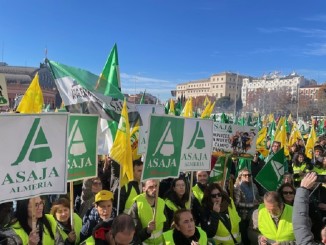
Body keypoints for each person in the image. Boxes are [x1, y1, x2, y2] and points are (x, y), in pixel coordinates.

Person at [129, 179, 167, 244]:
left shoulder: (162, 202)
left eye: (156, 186)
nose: (154, 189)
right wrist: (147, 230)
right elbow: (134, 235)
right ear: (144, 188)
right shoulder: (137, 205)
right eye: (151, 187)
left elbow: (166, 226)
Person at [293, 171, 326, 245]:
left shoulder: (323, 190)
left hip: (322, 221)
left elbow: (300, 226)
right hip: (309, 222)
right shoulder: (300, 192)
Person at [234, 168, 261, 245]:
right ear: (241, 176)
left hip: (255, 213)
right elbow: (237, 203)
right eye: (245, 175)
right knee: (245, 236)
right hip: (243, 215)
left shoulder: (254, 186)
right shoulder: (238, 187)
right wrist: (251, 205)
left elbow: (258, 197)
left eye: (249, 175)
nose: (247, 176)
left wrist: (259, 200)